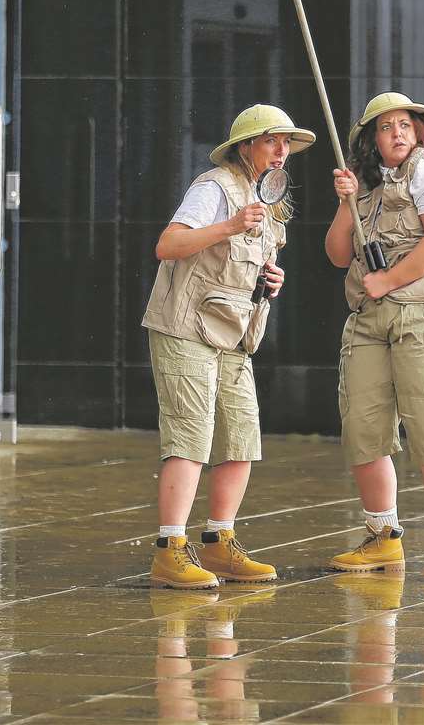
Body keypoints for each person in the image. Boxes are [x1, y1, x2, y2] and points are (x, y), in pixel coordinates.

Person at [140, 104, 315, 589]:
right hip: (186, 328)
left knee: (241, 437)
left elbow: (243, 264)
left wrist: (270, 277)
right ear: (246, 147)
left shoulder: (271, 202)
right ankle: (170, 549)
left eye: (287, 144)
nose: (281, 152)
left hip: (235, 334)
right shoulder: (213, 187)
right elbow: (168, 245)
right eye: (271, 142)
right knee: (190, 436)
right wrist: (230, 226)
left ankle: (219, 543)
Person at [324, 93, 424, 583]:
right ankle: (382, 538)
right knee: (363, 425)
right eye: (386, 126)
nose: (397, 133)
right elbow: (335, 252)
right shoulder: (364, 187)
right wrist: (346, 203)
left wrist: (389, 281)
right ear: (371, 139)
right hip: (368, 319)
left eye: (406, 125)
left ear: (419, 133)